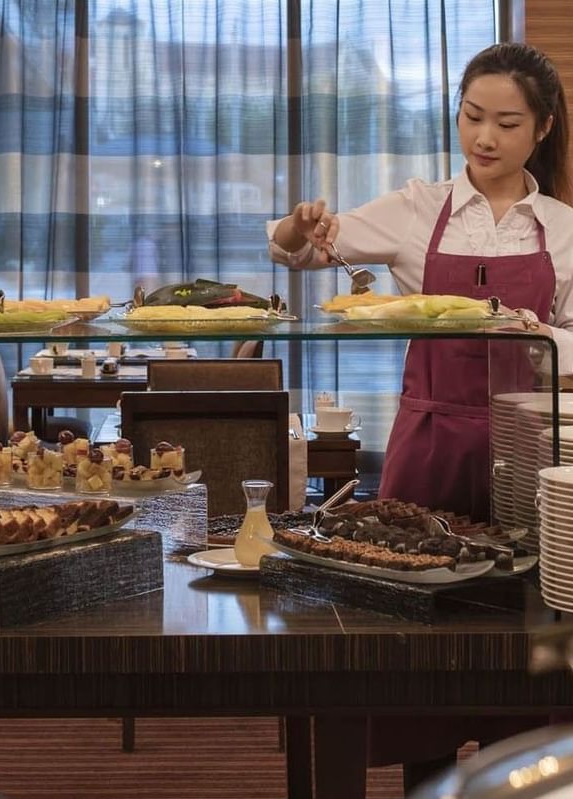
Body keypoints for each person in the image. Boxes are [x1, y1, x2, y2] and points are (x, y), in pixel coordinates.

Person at [268, 41, 572, 787]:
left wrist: (538, 333)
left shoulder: (562, 227)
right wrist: (298, 226)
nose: (484, 138)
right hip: (429, 441)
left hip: (531, 454)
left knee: (523, 639)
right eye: (472, 117)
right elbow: (296, 256)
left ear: (543, 127)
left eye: (506, 122)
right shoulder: (418, 209)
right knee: (416, 638)